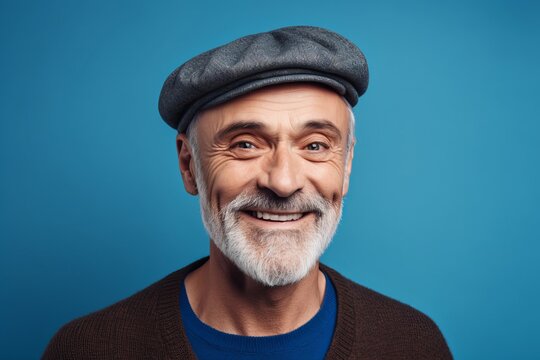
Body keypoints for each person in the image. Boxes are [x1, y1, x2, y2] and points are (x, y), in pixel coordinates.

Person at [43, 26, 453, 359]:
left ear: (345, 166)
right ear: (189, 165)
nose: (283, 181)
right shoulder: (89, 348)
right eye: (245, 144)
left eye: (314, 146)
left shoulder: (412, 344)